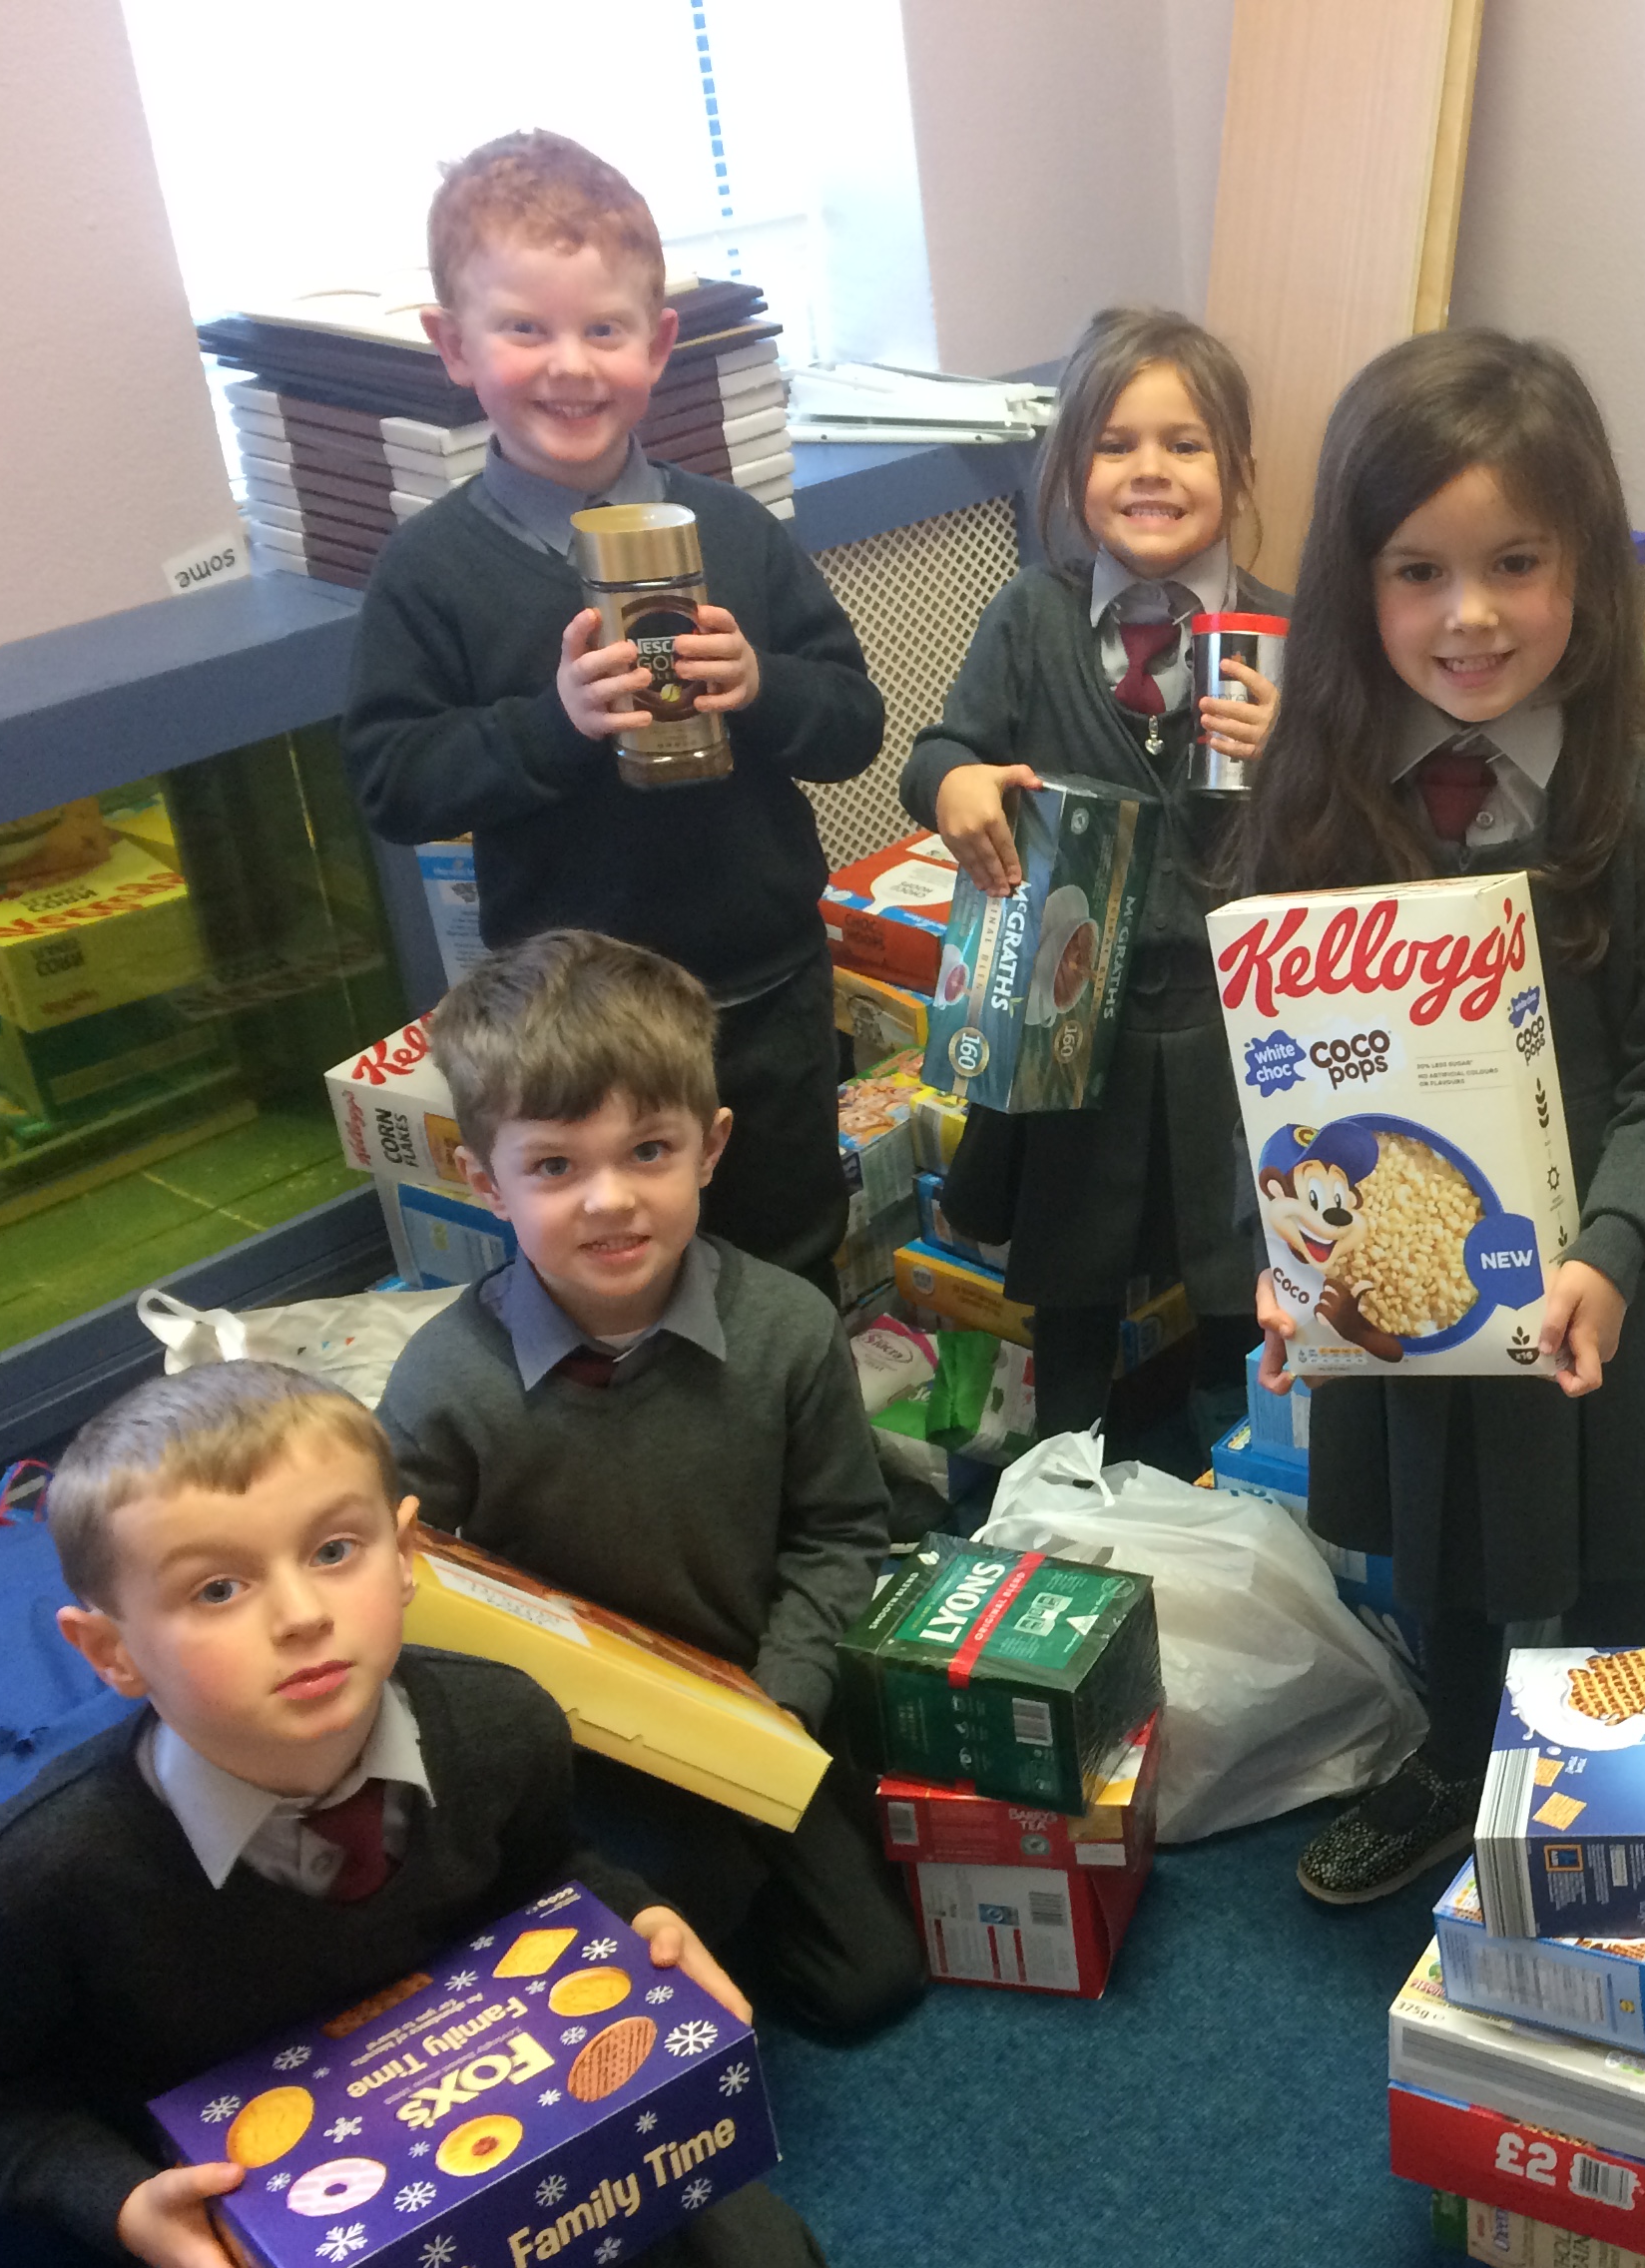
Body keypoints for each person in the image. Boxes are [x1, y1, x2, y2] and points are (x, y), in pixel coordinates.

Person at [0, 1364, 827, 2268]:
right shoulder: (48, 1872)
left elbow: (551, 1870)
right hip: (308, 2230)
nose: (302, 1616)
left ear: (405, 1557)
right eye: (218, 1590)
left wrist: (636, 1916)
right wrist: (119, 2203)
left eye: (335, 1551)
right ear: (112, 1651)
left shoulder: (499, 1722)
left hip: (524, 2111)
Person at [1236, 330, 1645, 1905]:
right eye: (1419, 572)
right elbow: (1261, 1055)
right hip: (1396, 1273)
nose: (1470, 616)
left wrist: (1615, 1244)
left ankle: (1611, 1794)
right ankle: (1456, 1761)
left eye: (1516, 564)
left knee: (1608, 1546)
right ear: (1357, 583)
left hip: (1588, 1265)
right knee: (1436, 1534)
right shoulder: (1316, 787)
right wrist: (1279, 1255)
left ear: (1585, 562)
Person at [343, 129, 884, 1292]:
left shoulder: (734, 532)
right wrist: (551, 725)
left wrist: (763, 685)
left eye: (603, 330)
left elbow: (853, 723)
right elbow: (394, 781)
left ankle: (798, 1409)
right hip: (571, 1034)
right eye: (523, 330)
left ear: (660, 343)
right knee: (608, 1279)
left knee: (789, 1255)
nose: (570, 367)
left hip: (759, 997)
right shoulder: (432, 571)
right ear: (454, 346)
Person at [375, 929, 921, 2039]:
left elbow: (840, 1532)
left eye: (648, 1151)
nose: (609, 1201)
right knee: (599, 2000)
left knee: (868, 1983)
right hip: (567, 1756)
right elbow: (398, 1588)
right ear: (485, 1183)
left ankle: (721, 1887)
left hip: (751, 1707)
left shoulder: (786, 1328)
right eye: (555, 1167)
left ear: (710, 1148)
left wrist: (783, 1702)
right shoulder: (446, 1381)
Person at [899, 306, 1285, 1450]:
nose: (1149, 470)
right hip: (1068, 1026)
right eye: (1116, 445)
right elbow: (940, 749)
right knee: (1072, 1272)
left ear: (1240, 467)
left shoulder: (1285, 632)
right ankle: (1062, 1460)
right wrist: (955, 782)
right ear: (1071, 468)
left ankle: (1236, 1451)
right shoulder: (1032, 617)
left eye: (1185, 443)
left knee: (1238, 1270)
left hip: (1232, 1021)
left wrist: (1294, 753)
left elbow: (1350, 818)